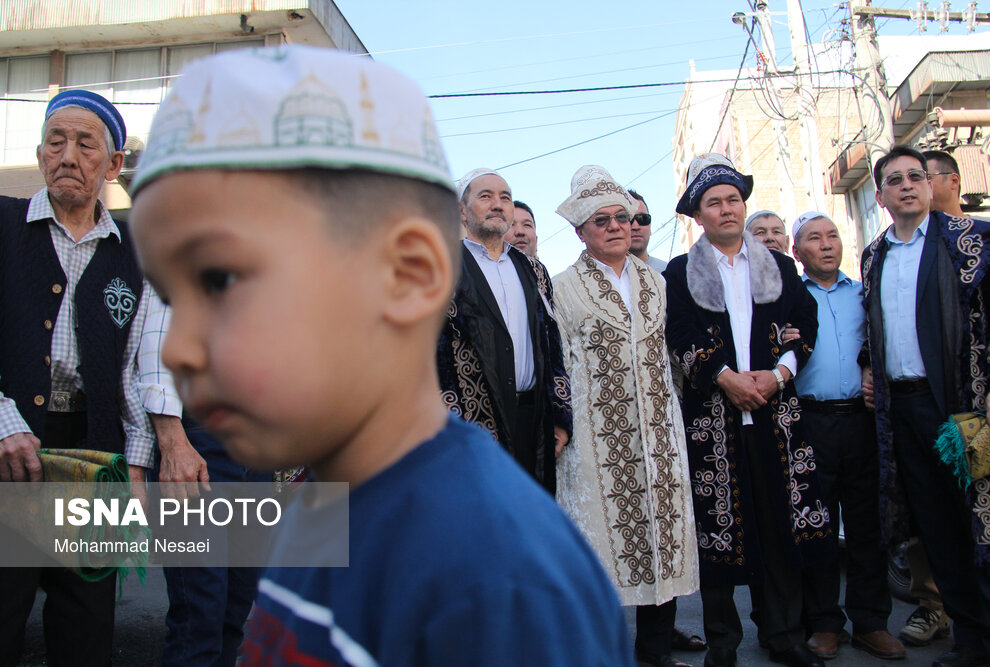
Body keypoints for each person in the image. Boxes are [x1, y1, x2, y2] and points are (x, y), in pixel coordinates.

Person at [129, 45, 632, 666]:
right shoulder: (323, 511)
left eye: (225, 279)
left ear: (409, 273)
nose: (179, 351)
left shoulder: (502, 585)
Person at [0, 89, 155, 666]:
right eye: (55, 142)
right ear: (40, 155)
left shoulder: (133, 253)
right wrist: (4, 420)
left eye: (85, 144)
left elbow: (135, 366)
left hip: (97, 459)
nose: (67, 156)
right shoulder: (4, 224)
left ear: (113, 165)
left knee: (87, 632)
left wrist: (136, 467)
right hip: (10, 452)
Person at [664, 153, 834, 667]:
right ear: (698, 216)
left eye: (733, 199)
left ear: (744, 205)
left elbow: (804, 321)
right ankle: (722, 642)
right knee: (720, 528)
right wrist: (724, 377)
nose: (726, 209)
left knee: (779, 524)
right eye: (713, 202)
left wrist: (778, 373)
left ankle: (782, 634)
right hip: (712, 420)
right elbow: (680, 334)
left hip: (775, 415)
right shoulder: (679, 271)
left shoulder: (779, 265)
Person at [551, 166, 698, 667]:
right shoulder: (563, 287)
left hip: (659, 430)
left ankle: (655, 653)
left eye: (623, 217)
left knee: (663, 536)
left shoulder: (656, 282)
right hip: (595, 437)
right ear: (580, 231)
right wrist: (561, 422)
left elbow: (670, 358)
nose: (616, 226)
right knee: (598, 541)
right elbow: (558, 364)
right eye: (601, 220)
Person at [860, 145, 990, 667]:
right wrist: (868, 365)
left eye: (915, 176)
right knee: (939, 530)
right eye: (894, 180)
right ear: (880, 196)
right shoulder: (874, 255)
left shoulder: (973, 241)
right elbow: (875, 327)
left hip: (965, 406)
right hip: (904, 411)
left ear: (932, 183)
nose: (907, 185)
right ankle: (970, 644)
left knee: (985, 528)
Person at [787, 211, 904, 661]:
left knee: (865, 524)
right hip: (809, 421)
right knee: (816, 525)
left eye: (832, 235)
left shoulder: (863, 295)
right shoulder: (790, 299)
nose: (827, 244)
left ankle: (872, 621)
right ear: (798, 252)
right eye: (814, 239)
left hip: (861, 420)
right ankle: (825, 623)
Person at [137, 292, 270, 667]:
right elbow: (157, 350)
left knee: (236, 608)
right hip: (200, 446)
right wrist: (173, 442)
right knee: (200, 614)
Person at [437, 168, 571, 493]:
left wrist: (560, 416)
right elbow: (432, 356)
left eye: (505, 197)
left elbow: (552, 349)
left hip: (533, 420)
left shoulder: (534, 270)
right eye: (485, 196)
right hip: (473, 423)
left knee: (529, 519)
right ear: (462, 210)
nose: (498, 204)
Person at [627, 188, 708, 657]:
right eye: (618, 216)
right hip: (616, 427)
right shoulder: (575, 284)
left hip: (671, 420)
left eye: (640, 216)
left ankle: (659, 633)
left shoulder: (669, 276)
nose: (631, 225)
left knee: (667, 529)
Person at [627, 189, 668, 272]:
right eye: (629, 219)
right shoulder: (604, 276)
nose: (635, 226)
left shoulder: (668, 272)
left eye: (643, 218)